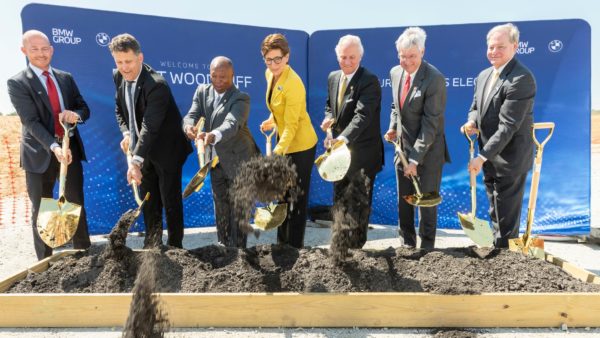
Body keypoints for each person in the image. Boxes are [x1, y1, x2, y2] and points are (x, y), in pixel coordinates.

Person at [7, 29, 91, 260]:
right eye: (34, 49)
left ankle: (84, 256)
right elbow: (30, 121)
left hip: (69, 149)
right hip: (40, 153)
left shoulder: (66, 78)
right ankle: (44, 263)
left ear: (52, 50)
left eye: (45, 49)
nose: (41, 54)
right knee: (42, 208)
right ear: (24, 51)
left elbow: (84, 108)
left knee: (76, 203)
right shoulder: (17, 83)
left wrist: (75, 115)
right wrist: (53, 147)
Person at [108, 33, 192, 248]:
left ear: (140, 58)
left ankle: (175, 247)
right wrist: (127, 133)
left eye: (129, 62)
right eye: (119, 62)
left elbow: (150, 127)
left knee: (169, 200)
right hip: (142, 149)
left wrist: (135, 161)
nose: (124, 67)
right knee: (149, 200)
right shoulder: (118, 76)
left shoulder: (157, 85)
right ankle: (152, 245)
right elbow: (120, 108)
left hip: (167, 150)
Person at [461, 23, 536, 248]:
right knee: (495, 211)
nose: (494, 52)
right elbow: (475, 107)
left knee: (506, 221)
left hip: (510, 160)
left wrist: (481, 157)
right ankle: (499, 254)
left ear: (515, 46)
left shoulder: (521, 79)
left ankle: (507, 263)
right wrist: (472, 120)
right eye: (491, 47)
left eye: (500, 47)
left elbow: (507, 127)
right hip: (489, 157)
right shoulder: (484, 75)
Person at [183, 56, 260, 248]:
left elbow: (231, 124)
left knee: (239, 210)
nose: (218, 81)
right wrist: (189, 126)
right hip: (216, 161)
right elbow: (192, 114)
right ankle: (223, 248)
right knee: (221, 207)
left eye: (223, 77)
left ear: (233, 76)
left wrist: (213, 135)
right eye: (214, 76)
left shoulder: (241, 98)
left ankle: (239, 253)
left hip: (241, 160)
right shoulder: (202, 91)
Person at [384, 27, 450, 249]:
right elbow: (396, 105)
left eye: (412, 56)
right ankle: (407, 245)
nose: (407, 61)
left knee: (427, 202)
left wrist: (415, 160)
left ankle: (427, 249)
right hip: (402, 150)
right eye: (402, 56)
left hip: (428, 151)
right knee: (404, 201)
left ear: (422, 51)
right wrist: (393, 126)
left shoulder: (435, 79)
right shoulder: (395, 73)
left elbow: (431, 123)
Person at [320, 35, 384, 248]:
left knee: (358, 205)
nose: (347, 62)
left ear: (360, 56)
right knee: (340, 202)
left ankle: (356, 252)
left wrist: (342, 139)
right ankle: (340, 247)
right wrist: (328, 118)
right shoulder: (333, 77)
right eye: (343, 57)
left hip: (364, 155)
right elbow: (330, 105)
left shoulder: (369, 80)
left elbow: (362, 117)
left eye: (352, 57)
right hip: (339, 156)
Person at [259, 33, 318, 248]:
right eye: (268, 59)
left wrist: (277, 152)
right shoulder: (269, 74)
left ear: (287, 57)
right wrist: (271, 121)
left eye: (278, 59)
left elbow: (292, 125)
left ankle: (295, 248)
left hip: (301, 146)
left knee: (296, 199)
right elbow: (279, 111)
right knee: (283, 196)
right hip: (284, 144)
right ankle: (282, 244)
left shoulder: (294, 84)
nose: (273, 64)